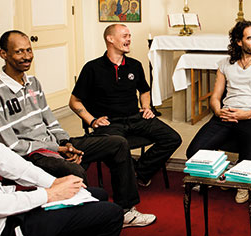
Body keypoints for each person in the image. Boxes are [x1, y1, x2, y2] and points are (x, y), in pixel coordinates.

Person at [0, 30, 156, 228]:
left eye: (29, 50)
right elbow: (10, 144)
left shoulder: (33, 82)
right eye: (19, 52)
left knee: (117, 143)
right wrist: (57, 150)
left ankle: (126, 210)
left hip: (54, 145)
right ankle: (86, 223)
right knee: (74, 169)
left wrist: (66, 143)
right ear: (4, 54)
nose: (27, 56)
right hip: (30, 154)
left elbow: (50, 119)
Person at [69, 24, 182, 187]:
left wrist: (146, 107)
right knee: (115, 148)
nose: (129, 39)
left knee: (172, 139)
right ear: (110, 39)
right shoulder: (92, 68)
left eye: (129, 36)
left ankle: (139, 171)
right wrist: (92, 121)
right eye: (124, 36)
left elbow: (144, 91)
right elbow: (74, 102)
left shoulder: (135, 65)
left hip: (136, 118)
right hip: (110, 123)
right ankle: (130, 176)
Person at [186, 20, 251, 203]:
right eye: (250, 38)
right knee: (194, 151)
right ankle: (221, 172)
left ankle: (241, 184)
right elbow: (215, 96)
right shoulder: (224, 64)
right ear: (239, 41)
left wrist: (248, 114)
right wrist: (218, 111)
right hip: (227, 114)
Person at [0, 139, 123, 236]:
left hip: (5, 206)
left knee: (98, 194)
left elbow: (10, 162)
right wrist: (50, 194)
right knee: (112, 213)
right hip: (2, 226)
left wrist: (55, 183)